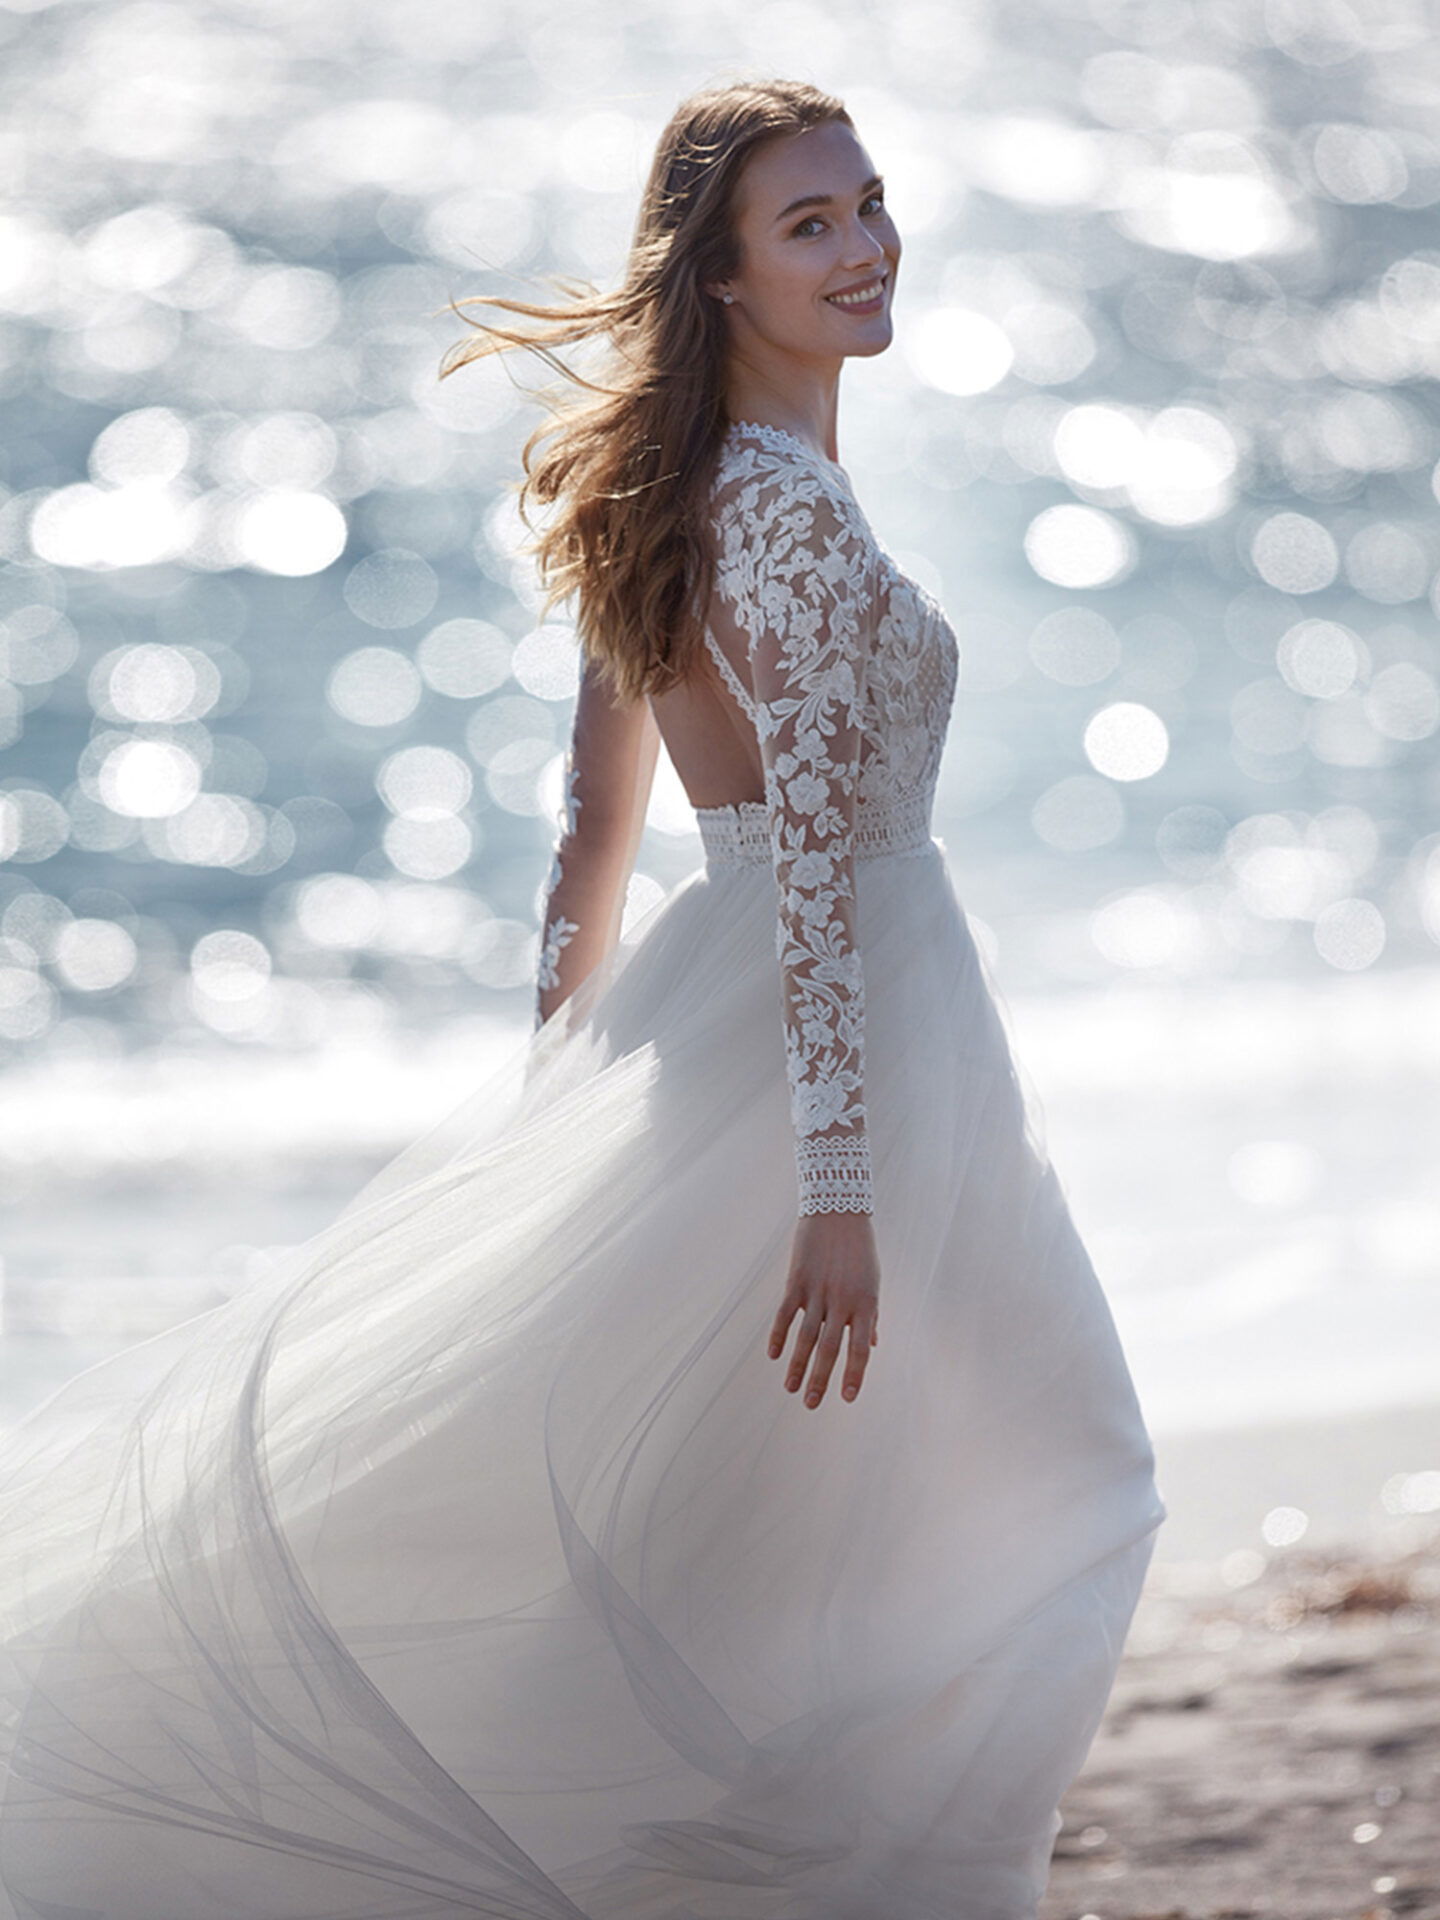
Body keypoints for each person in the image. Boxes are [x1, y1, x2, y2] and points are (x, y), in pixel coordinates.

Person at [0, 75, 1166, 1920]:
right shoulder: (772, 510)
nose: (864, 247)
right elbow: (810, 863)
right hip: (844, 1054)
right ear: (716, 278)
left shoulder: (676, 490)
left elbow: (589, 850)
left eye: (870, 205)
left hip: (745, 1042)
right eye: (810, 225)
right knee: (1066, 1482)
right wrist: (840, 1190)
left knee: (803, 1531)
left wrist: (566, 1100)